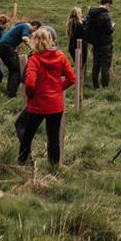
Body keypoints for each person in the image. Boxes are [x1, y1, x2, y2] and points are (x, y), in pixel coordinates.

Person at [18, 28, 76, 166]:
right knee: (53, 136)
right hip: (55, 104)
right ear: (50, 40)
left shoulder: (34, 59)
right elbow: (72, 78)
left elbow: (30, 83)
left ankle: (21, 162)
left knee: (28, 134)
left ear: (35, 42)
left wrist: (30, 95)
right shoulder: (61, 57)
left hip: (38, 104)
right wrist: (58, 89)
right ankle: (54, 166)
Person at [0, 19, 42, 97]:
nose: (33, 32)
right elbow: (24, 38)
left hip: (2, 47)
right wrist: (33, 48)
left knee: (13, 69)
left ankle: (10, 91)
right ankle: (11, 93)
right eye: (35, 30)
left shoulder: (22, 25)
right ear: (35, 26)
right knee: (16, 69)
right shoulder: (26, 26)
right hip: (6, 47)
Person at [84, 0, 114, 89]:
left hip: (95, 43)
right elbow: (108, 31)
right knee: (105, 66)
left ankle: (95, 85)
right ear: (107, 4)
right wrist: (113, 26)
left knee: (96, 65)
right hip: (105, 44)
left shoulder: (91, 13)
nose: (110, 8)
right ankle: (105, 86)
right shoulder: (105, 15)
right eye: (110, 6)